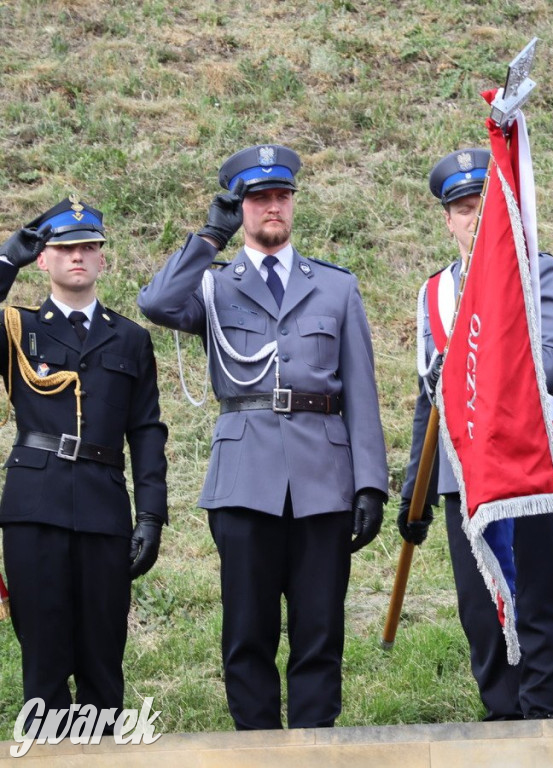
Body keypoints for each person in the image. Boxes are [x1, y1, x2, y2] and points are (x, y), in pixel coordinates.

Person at [137, 145, 389, 730]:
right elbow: (155, 302)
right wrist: (208, 240)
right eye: (258, 198)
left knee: (319, 630)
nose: (272, 207)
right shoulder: (213, 284)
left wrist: (370, 484)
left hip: (323, 483)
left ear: (293, 203)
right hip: (245, 480)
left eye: (281, 196)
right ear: (241, 207)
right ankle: (255, 748)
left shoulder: (334, 287)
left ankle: (313, 746)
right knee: (247, 632)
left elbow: (360, 390)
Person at [396, 148, 553, 720]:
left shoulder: (536, 270)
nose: (473, 216)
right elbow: (428, 398)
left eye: (483, 204)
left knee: (540, 600)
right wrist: (416, 489)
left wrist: (475, 369)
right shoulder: (434, 293)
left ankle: (542, 720)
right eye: (461, 207)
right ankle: (503, 719)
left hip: (530, 465)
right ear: (446, 219)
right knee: (480, 608)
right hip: (463, 472)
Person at [0, 197, 167, 729]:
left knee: (102, 660)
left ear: (103, 260)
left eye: (89, 247)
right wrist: (6, 263)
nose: (78, 256)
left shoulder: (131, 338)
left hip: (103, 507)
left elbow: (145, 431)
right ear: (43, 260)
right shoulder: (16, 327)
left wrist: (151, 516)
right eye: (65, 248)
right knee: (44, 660)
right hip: (34, 506)